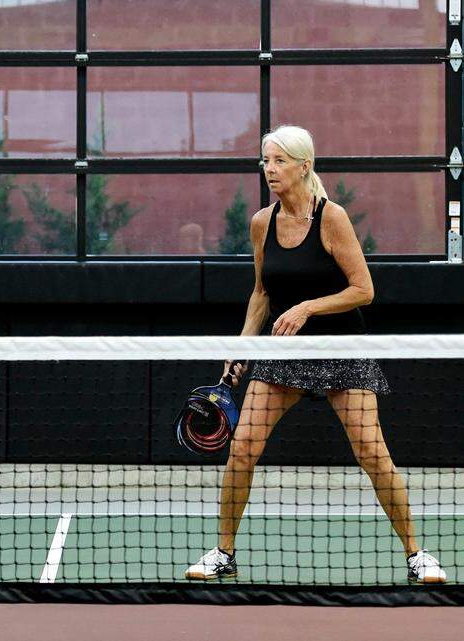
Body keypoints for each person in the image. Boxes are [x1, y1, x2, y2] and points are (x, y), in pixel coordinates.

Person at [184, 125, 447, 584]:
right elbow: (262, 292)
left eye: (280, 161)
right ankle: (223, 553)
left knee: (371, 452)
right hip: (284, 353)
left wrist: (308, 307)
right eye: (266, 161)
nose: (270, 169)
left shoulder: (332, 218)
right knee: (242, 448)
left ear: (304, 165)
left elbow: (363, 290)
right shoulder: (261, 223)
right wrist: (243, 347)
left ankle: (416, 555)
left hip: (340, 349)